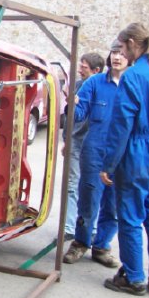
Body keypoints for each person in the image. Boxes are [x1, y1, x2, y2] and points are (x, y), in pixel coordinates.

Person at [100, 23, 149, 297]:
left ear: (132, 43)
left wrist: (108, 164)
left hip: (138, 150)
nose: (121, 52)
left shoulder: (133, 76)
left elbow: (121, 125)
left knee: (130, 215)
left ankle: (134, 277)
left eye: (123, 47)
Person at [63, 43, 128, 267]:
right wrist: (74, 104)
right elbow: (79, 114)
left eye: (122, 54)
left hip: (121, 154)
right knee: (89, 199)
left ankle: (102, 246)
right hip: (95, 152)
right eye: (115, 53)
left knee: (114, 203)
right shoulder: (94, 83)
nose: (118, 58)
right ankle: (81, 242)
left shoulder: (133, 85)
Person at [63, 53, 104, 241]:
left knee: (92, 188)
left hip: (94, 148)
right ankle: (70, 226)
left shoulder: (103, 89)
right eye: (80, 66)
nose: (80, 70)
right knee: (71, 185)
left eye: (84, 67)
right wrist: (67, 140)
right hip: (76, 143)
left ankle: (91, 229)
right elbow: (72, 118)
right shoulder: (78, 86)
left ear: (96, 71)